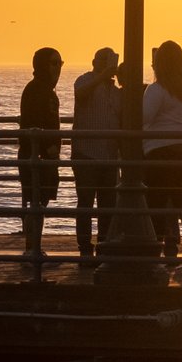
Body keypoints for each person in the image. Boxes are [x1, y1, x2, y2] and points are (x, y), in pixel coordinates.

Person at [142, 39, 182, 277]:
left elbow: (144, 118)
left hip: (160, 149)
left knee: (156, 202)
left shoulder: (157, 89)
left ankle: (155, 254)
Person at [71, 48, 123, 266]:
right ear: (94, 61)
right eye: (103, 59)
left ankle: (103, 246)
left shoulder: (117, 91)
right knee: (85, 202)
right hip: (86, 152)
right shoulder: (84, 80)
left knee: (107, 205)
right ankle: (84, 248)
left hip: (110, 156)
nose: (106, 63)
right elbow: (80, 95)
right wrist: (101, 76)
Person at [16, 47, 63, 269]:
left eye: (60, 63)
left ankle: (33, 246)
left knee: (39, 202)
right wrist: (50, 149)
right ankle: (31, 248)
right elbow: (37, 122)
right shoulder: (39, 90)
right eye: (54, 63)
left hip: (40, 154)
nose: (58, 68)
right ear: (43, 65)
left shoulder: (39, 89)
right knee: (37, 202)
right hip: (39, 155)